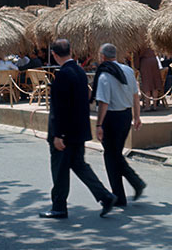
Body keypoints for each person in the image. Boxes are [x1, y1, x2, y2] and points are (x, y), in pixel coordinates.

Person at [40, 39, 117, 219]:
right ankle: (105, 196)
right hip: (78, 131)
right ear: (71, 51)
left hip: (64, 133)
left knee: (59, 171)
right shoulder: (80, 72)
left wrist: (58, 134)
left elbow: (59, 109)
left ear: (54, 55)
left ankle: (59, 206)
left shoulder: (63, 75)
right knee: (80, 166)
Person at [94, 43, 147, 207]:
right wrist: (136, 116)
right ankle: (124, 191)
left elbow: (103, 103)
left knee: (111, 156)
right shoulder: (128, 70)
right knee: (114, 154)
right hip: (125, 116)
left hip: (111, 117)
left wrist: (99, 124)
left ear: (102, 57)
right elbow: (135, 95)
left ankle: (131, 186)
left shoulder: (104, 75)